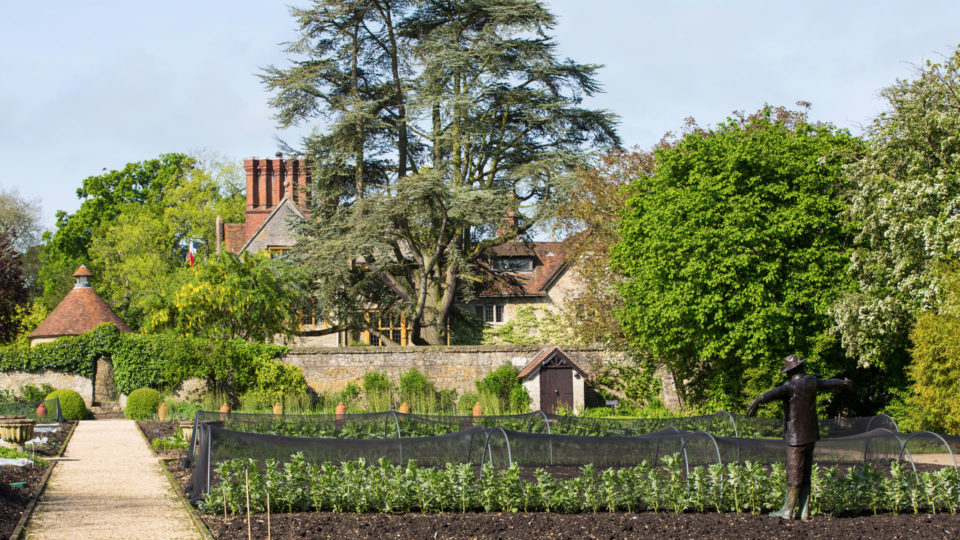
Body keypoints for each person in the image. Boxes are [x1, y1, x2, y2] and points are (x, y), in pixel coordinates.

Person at [745, 354, 852, 520]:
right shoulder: (811, 382)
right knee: (806, 472)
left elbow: (773, 393)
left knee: (794, 473)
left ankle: (787, 511)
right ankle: (803, 511)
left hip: (796, 438)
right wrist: (844, 383)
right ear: (801, 368)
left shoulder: (790, 386)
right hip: (811, 435)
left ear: (789, 372)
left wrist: (758, 400)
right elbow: (829, 383)